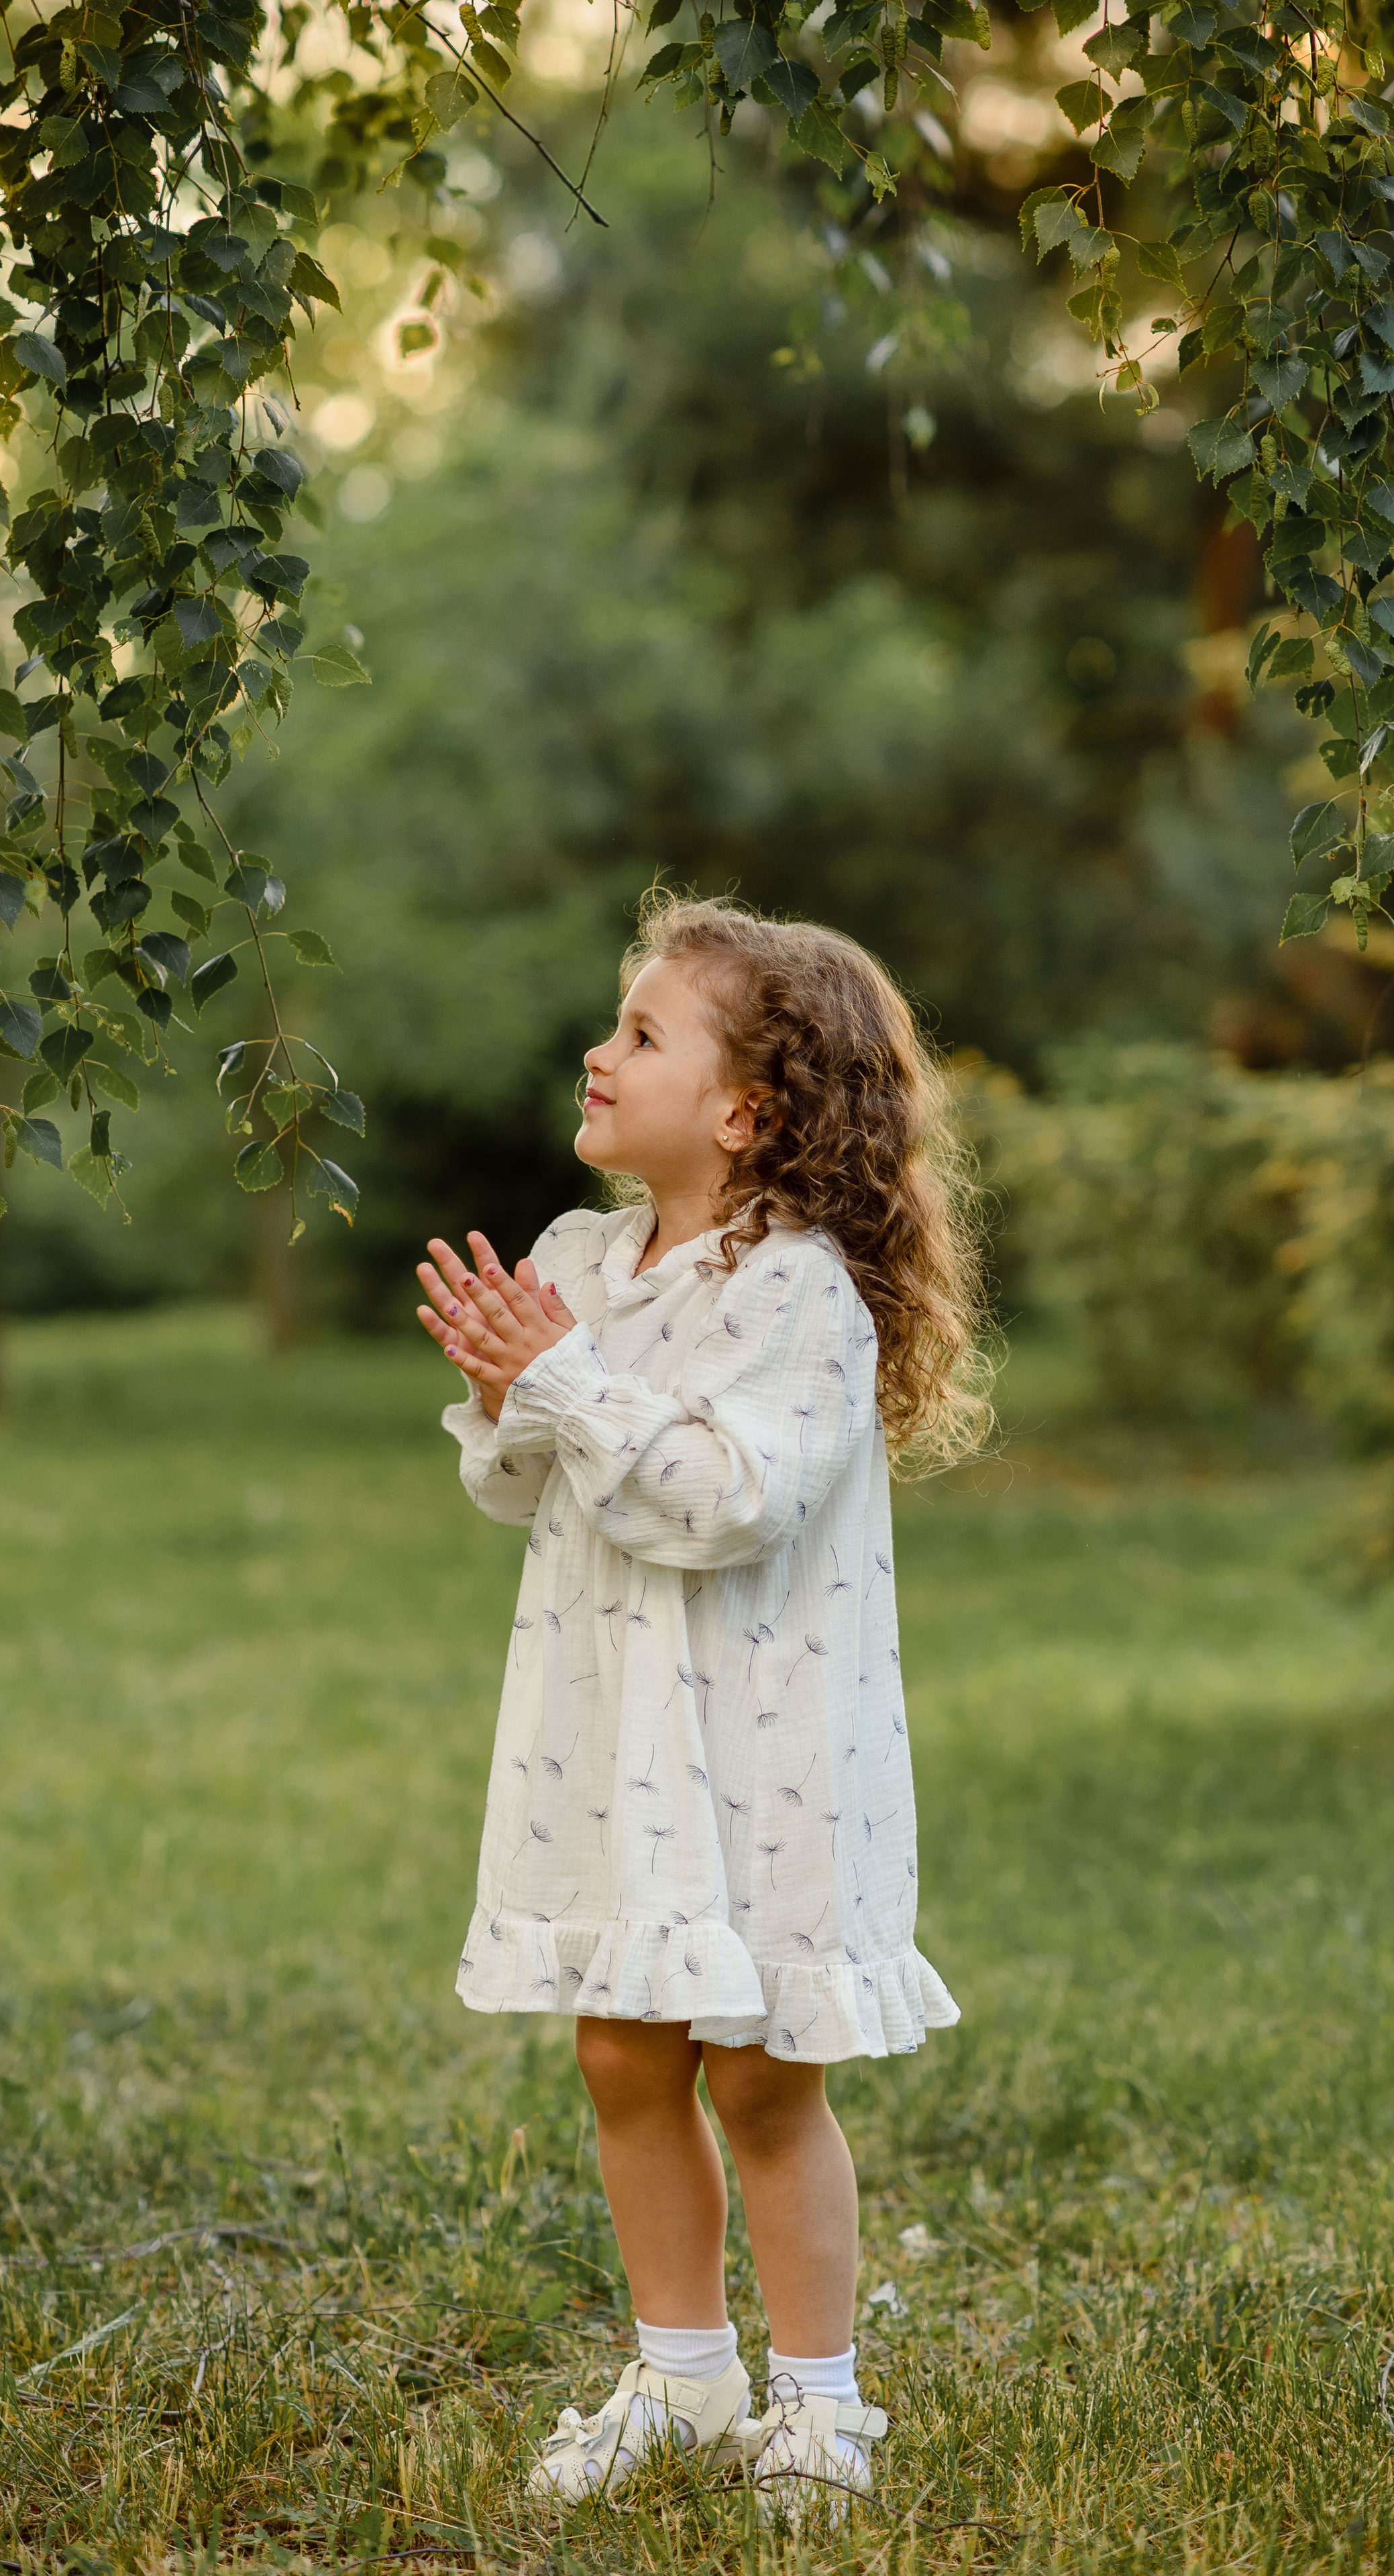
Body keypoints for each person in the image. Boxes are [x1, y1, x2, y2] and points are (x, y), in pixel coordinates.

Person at [415, 892, 989, 2516]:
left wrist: (563, 1380)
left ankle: (817, 2402)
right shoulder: (580, 1259)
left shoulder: (794, 1293)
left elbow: (720, 1499)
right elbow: (531, 1487)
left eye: (642, 1033)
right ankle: (679, 2367)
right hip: (616, 1742)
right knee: (618, 2052)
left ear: (745, 1112)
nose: (599, 1051)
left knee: (757, 2070)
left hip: (757, 1759)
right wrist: (500, 1396)